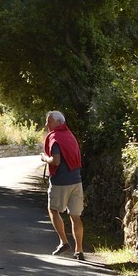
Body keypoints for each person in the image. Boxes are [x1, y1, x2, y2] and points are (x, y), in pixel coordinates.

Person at [42, 110, 85, 259]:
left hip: (60, 182)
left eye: (49, 121)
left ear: (58, 122)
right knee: (75, 216)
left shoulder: (55, 138)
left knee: (53, 210)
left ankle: (64, 242)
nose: (46, 124)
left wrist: (45, 158)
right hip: (76, 180)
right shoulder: (70, 136)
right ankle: (79, 250)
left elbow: (56, 161)